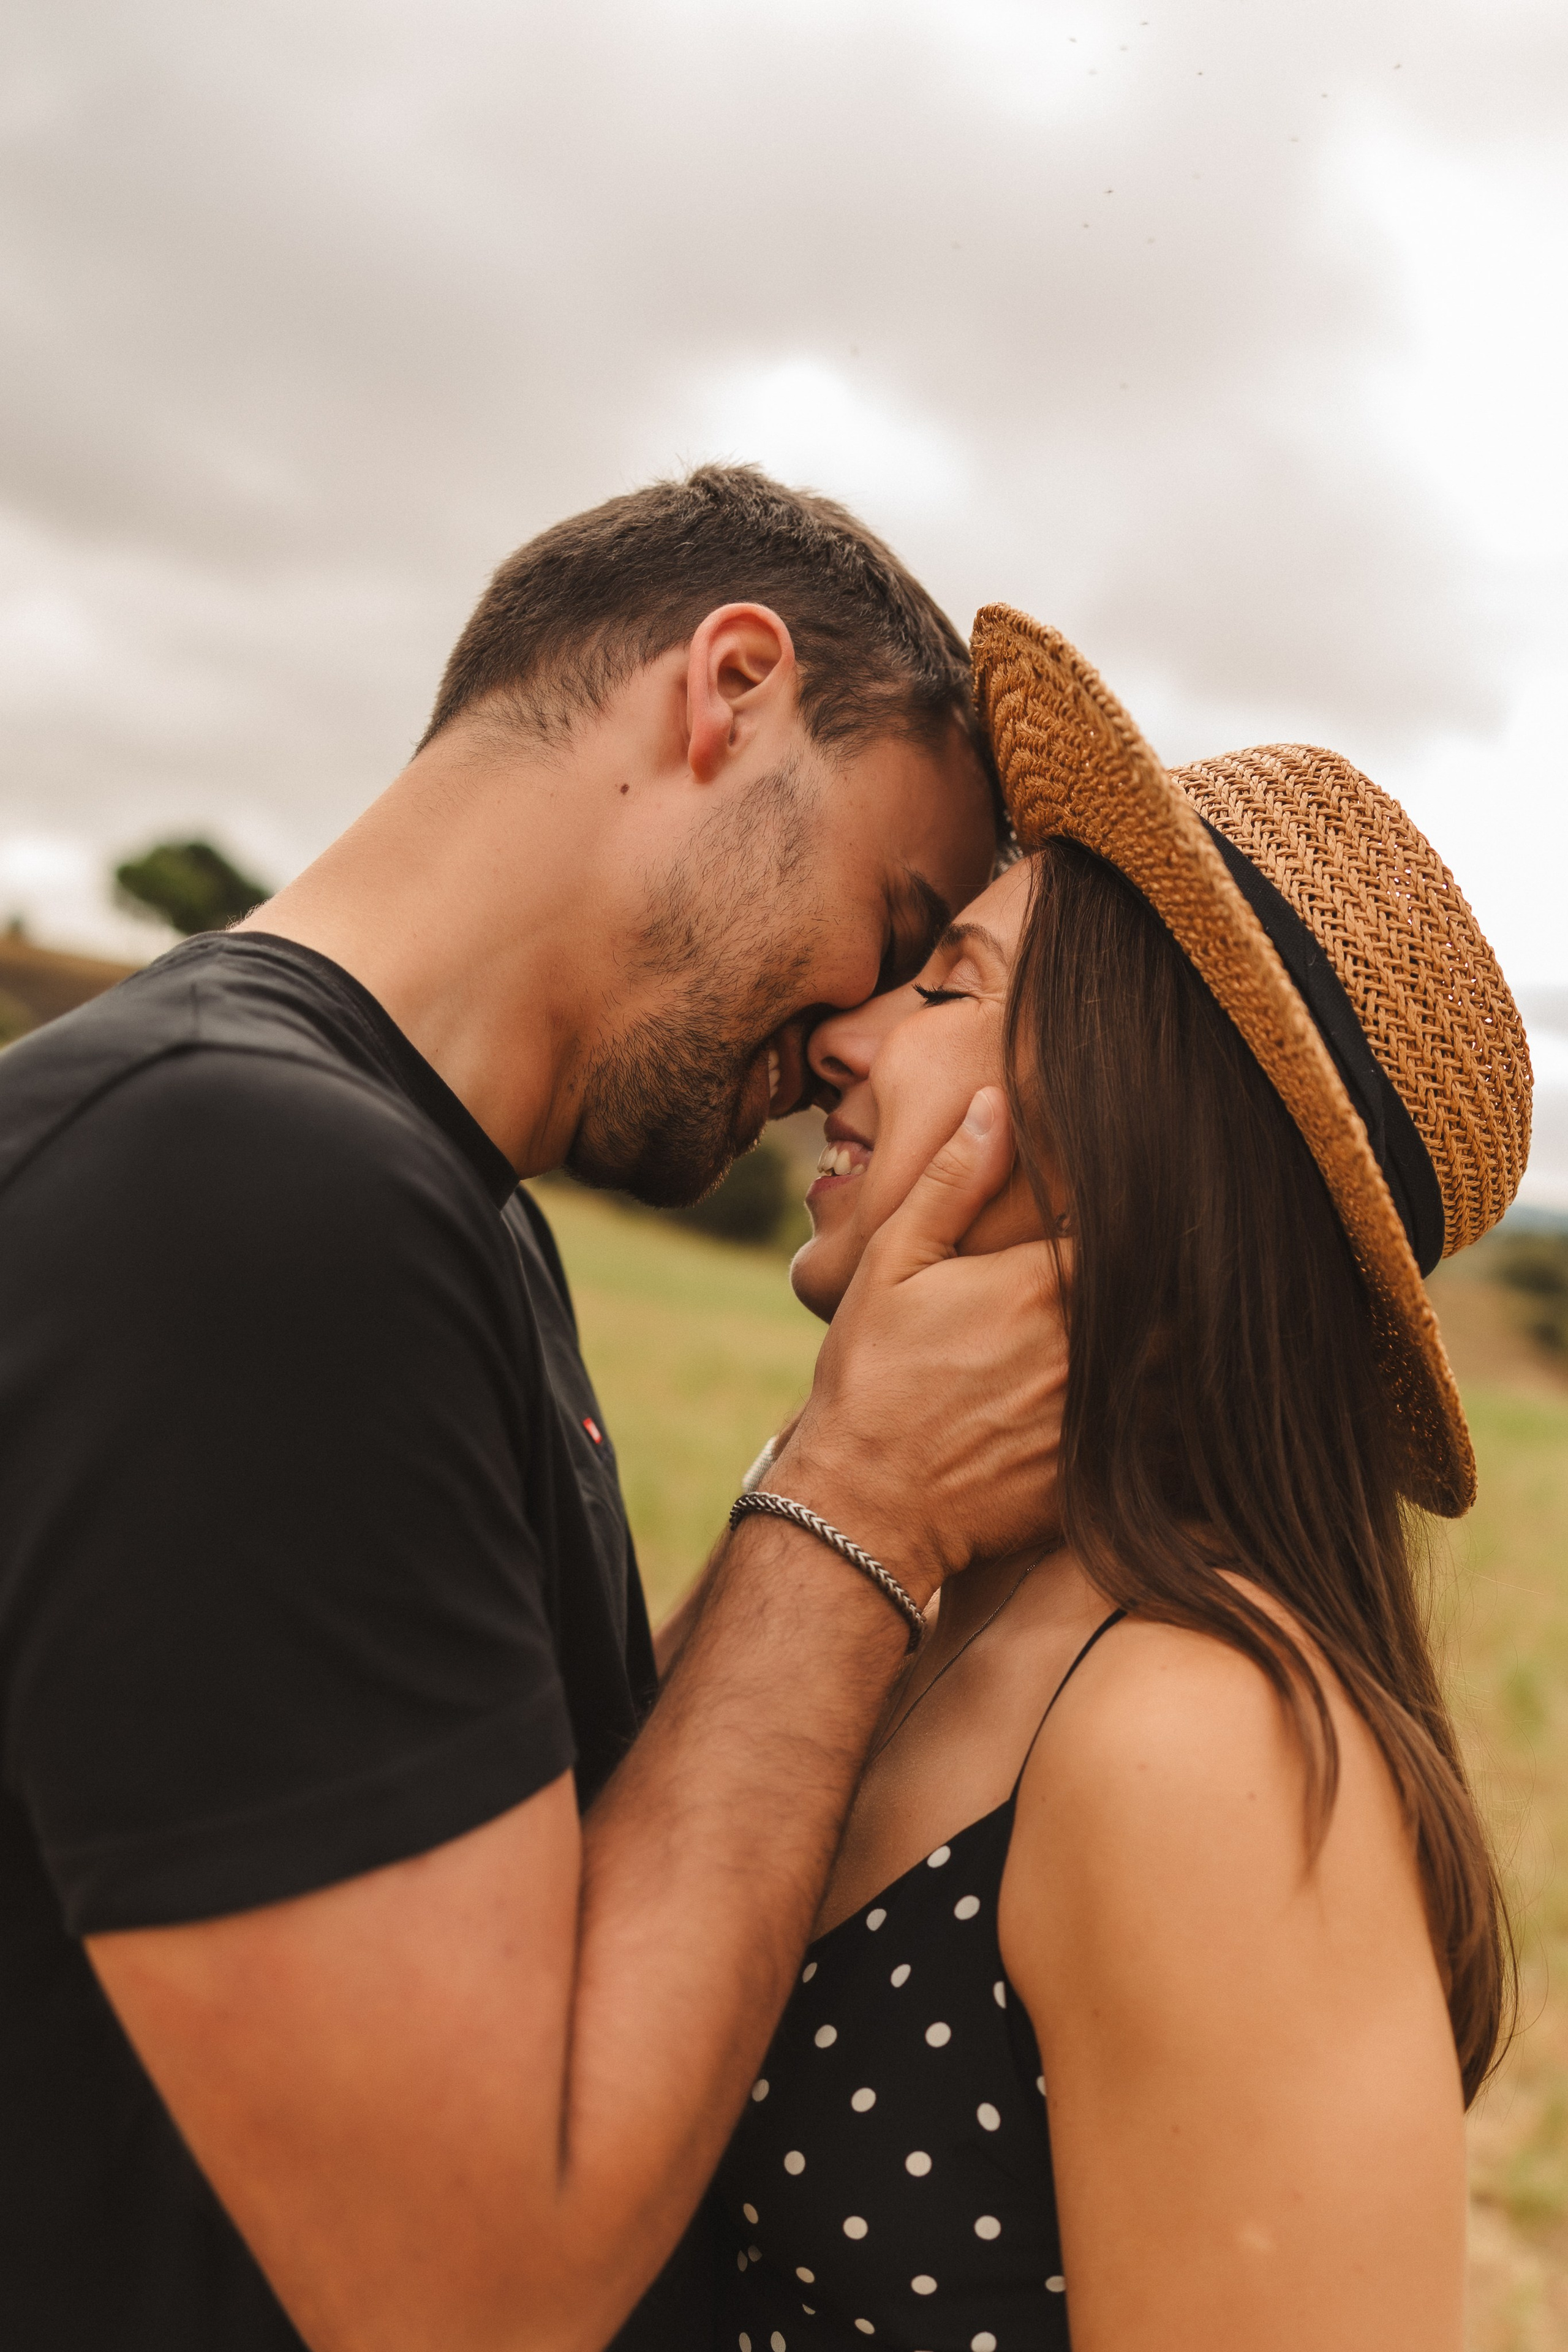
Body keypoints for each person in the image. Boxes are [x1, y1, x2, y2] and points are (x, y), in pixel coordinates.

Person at [0, 472, 1069, 2352]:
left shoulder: (422, 1212)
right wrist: (862, 1499)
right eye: (899, 920)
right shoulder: (242, 1193)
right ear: (728, 691)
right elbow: (469, 2298)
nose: (855, 1039)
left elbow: (547, 1930)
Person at [707, 608, 1531, 2352]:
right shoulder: (898, 1578)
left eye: (953, 988)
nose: (850, 1033)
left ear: (1132, 1130)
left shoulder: (1193, 1737)